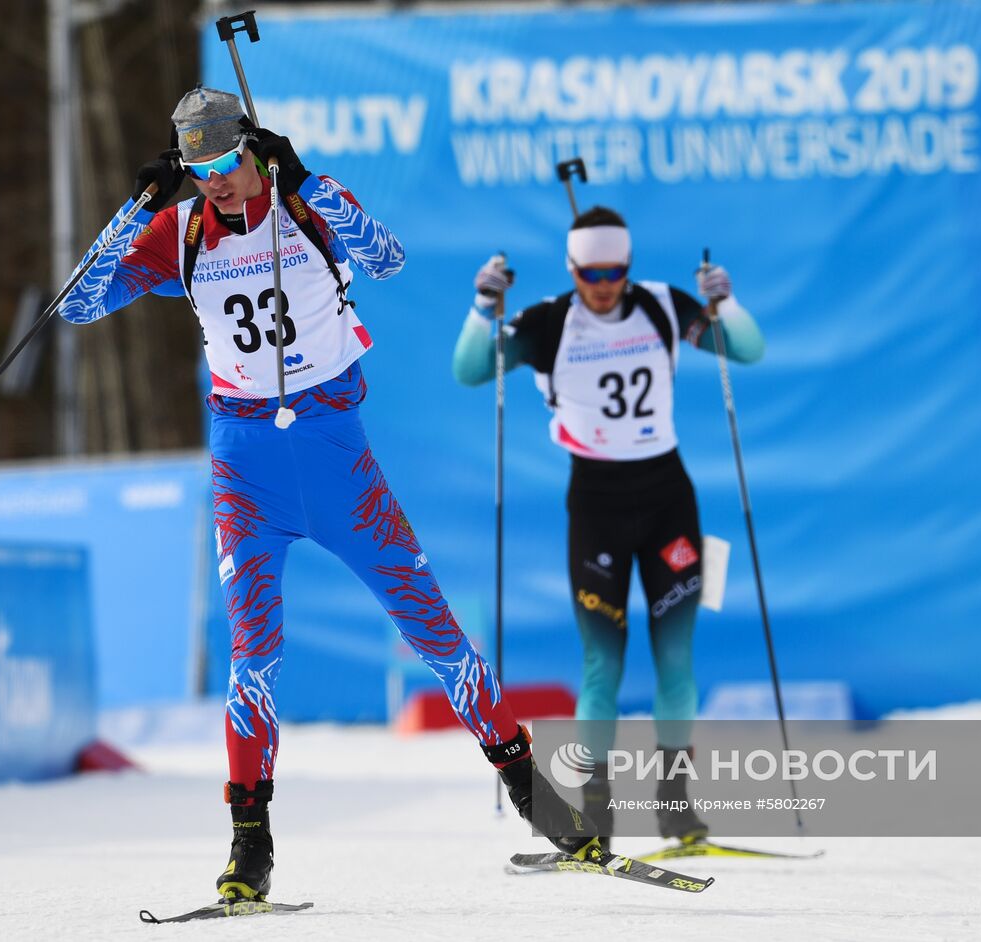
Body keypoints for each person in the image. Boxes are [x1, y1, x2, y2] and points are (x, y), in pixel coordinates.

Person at [59, 87, 597, 901]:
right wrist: (137, 209)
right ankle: (250, 848)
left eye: (226, 164)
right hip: (245, 472)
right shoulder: (182, 234)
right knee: (254, 657)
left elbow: (387, 258)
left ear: (252, 147)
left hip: (337, 459)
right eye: (196, 171)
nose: (217, 184)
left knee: (435, 630)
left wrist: (306, 184)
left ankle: (538, 800)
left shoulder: (309, 209)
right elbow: (78, 304)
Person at [451, 206, 765, 850]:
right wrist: (484, 307)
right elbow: (471, 370)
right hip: (596, 504)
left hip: (669, 501)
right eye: (591, 272)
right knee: (603, 665)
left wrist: (725, 304)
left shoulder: (662, 306)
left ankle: (677, 808)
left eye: (614, 271)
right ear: (572, 268)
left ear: (628, 266)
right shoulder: (547, 322)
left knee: (677, 658)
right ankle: (595, 810)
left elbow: (748, 351)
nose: (603, 284)